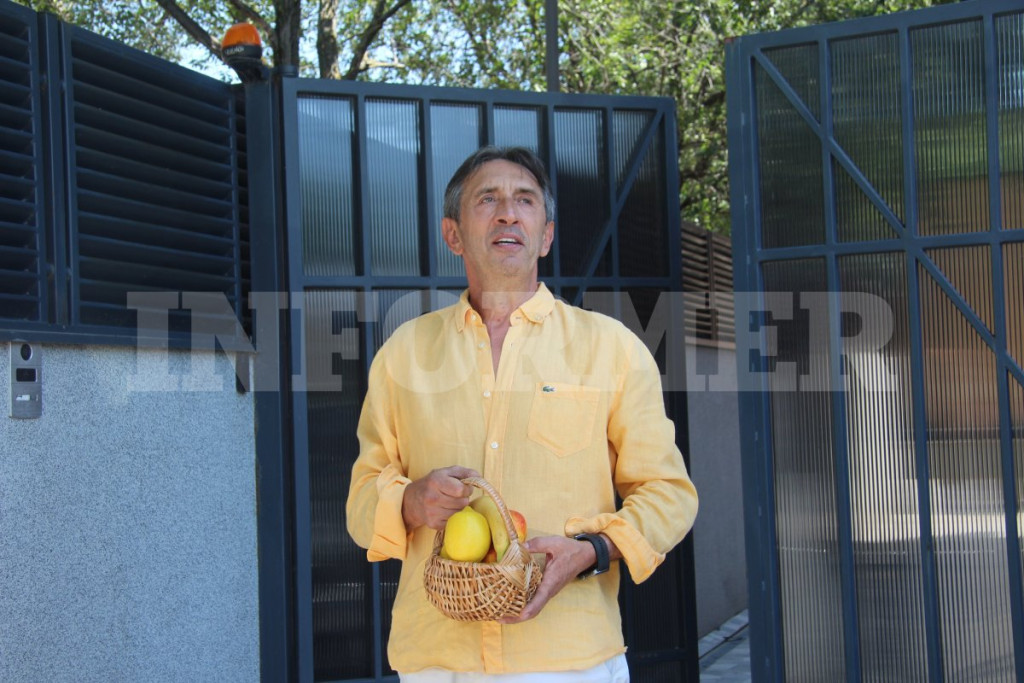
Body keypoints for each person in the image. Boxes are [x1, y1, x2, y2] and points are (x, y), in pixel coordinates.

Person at [346, 145, 698, 681]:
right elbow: (361, 499)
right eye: (487, 199)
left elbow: (669, 493)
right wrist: (411, 502)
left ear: (546, 235)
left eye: (525, 200)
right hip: (438, 659)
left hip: (570, 658)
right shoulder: (404, 354)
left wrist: (592, 551)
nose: (508, 213)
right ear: (453, 234)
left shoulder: (613, 349)